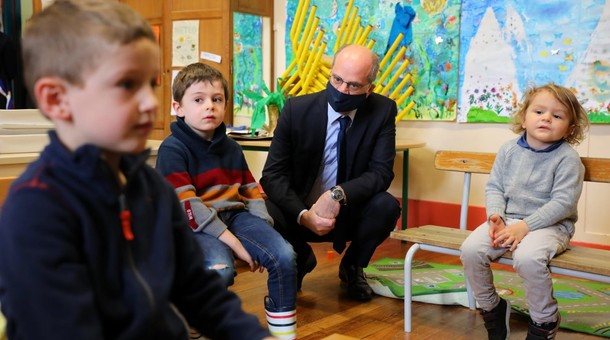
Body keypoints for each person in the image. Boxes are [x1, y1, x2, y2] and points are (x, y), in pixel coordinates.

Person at [0, 1, 275, 339]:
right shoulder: (36, 208)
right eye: (126, 85)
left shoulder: (148, 186)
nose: (148, 102)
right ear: (56, 99)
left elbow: (198, 291)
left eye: (151, 84)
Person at [155, 62, 297, 339]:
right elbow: (190, 208)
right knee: (219, 271)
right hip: (193, 226)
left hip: (234, 216)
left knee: (284, 256)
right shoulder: (172, 149)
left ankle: (283, 334)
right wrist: (238, 246)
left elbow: (250, 191)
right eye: (199, 100)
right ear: (178, 107)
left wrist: (262, 231)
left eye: (216, 100)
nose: (209, 106)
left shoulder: (231, 146)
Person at [260, 44, 401, 302]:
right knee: (264, 210)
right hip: (299, 212)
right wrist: (303, 215)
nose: (342, 91)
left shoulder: (383, 110)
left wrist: (337, 195)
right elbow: (272, 175)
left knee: (387, 205)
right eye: (337, 79)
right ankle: (300, 259)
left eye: (354, 85)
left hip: (348, 212)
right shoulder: (296, 109)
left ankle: (352, 266)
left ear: (370, 88)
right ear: (330, 74)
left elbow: (381, 173)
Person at [460, 83, 590, 340]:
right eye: (539, 111)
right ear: (524, 117)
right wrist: (496, 216)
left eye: (557, 115)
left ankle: (544, 320)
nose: (546, 118)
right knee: (471, 250)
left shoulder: (567, 158)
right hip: (507, 220)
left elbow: (563, 203)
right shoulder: (509, 150)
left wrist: (525, 226)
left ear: (570, 128)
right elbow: (495, 186)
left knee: (527, 257)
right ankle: (492, 307)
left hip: (552, 226)